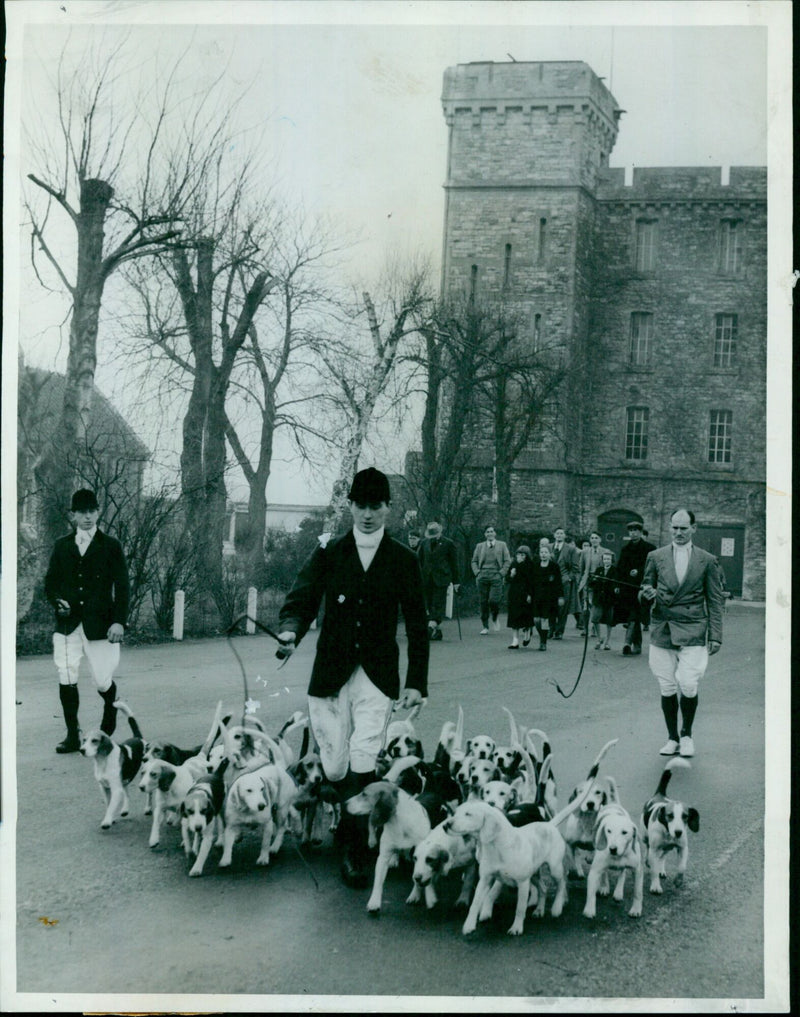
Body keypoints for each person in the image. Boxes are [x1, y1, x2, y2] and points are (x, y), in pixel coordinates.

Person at [276, 467, 429, 886]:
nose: (367, 514)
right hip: (330, 674)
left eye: (375, 506)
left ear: (388, 508)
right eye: (360, 506)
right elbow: (302, 596)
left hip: (377, 676)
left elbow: (417, 623)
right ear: (351, 507)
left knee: (364, 759)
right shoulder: (329, 551)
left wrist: (416, 681)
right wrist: (290, 630)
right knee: (336, 764)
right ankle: (349, 828)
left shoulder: (403, 559)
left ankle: (354, 849)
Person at [44, 488, 130, 753]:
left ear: (99, 511)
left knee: (103, 680)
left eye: (92, 511)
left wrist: (119, 621)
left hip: (101, 625)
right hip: (68, 625)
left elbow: (123, 586)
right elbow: (50, 584)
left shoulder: (111, 545)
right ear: (73, 515)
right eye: (82, 512)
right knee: (66, 675)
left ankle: (109, 716)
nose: (88, 517)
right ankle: (73, 735)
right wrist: (58, 601)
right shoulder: (62, 545)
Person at [640, 508, 724, 758]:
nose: (678, 532)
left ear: (693, 529)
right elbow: (645, 587)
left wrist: (716, 634)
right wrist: (646, 594)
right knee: (666, 685)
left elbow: (715, 600)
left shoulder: (707, 560)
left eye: (683, 528)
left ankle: (687, 735)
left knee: (688, 683)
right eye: (674, 528)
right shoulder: (655, 556)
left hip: (693, 628)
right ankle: (672, 738)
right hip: (663, 628)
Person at [616, 520, 656, 655]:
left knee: (635, 615)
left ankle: (627, 643)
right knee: (634, 615)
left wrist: (639, 571)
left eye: (635, 531)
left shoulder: (649, 549)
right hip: (628, 588)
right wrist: (618, 585)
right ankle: (636, 645)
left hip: (643, 588)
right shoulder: (625, 549)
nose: (633, 533)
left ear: (640, 532)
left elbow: (652, 567)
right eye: (631, 531)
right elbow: (620, 568)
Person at [417, 520, 460, 640]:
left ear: (439, 533)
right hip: (427, 578)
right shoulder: (424, 543)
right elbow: (419, 560)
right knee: (429, 604)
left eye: (435, 535)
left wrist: (456, 581)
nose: (433, 538)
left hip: (442, 578)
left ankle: (430, 627)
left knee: (437, 603)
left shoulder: (448, 543)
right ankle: (438, 631)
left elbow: (454, 564)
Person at [470, 525, 511, 634]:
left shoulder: (502, 545)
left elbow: (507, 561)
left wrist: (501, 573)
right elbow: (474, 561)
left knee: (493, 600)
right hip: (482, 576)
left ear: (495, 533)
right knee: (483, 602)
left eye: (492, 531)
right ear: (485, 534)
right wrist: (477, 573)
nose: (490, 533)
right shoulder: (480, 546)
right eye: (487, 532)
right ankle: (485, 626)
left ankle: (495, 617)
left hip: (496, 576)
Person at [529, 541, 564, 651]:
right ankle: (542, 635)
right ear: (539, 554)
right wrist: (529, 594)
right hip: (536, 597)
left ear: (549, 554)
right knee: (536, 620)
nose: (543, 554)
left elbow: (559, 583)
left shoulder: (554, 567)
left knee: (545, 620)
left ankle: (543, 642)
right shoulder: (535, 566)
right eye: (541, 552)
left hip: (549, 598)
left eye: (545, 552)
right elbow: (531, 582)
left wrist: (560, 597)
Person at [578, 530, 612, 639]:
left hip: (599, 582)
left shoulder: (606, 551)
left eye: (596, 538)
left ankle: (593, 627)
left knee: (595, 605)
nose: (594, 540)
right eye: (592, 538)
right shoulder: (585, 552)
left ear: (600, 540)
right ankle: (585, 628)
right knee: (585, 605)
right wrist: (581, 581)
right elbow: (581, 568)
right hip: (588, 581)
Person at [550, 528, 582, 639]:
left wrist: (568, 578)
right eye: (557, 533)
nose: (559, 535)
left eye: (561, 533)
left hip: (564, 582)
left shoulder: (571, 549)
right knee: (550, 606)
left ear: (564, 536)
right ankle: (551, 629)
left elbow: (575, 568)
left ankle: (559, 631)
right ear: (554, 535)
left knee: (562, 607)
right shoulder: (549, 547)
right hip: (550, 582)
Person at [505, 545, 535, 648]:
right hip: (514, 593)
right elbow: (507, 579)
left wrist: (530, 594)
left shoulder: (530, 565)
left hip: (525, 593)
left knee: (526, 615)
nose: (520, 556)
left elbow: (531, 582)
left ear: (527, 556)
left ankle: (527, 631)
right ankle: (515, 640)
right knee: (514, 617)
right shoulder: (513, 564)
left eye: (523, 554)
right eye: (518, 554)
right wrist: (511, 575)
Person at [589, 550, 619, 650]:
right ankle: (599, 638)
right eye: (605, 559)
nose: (606, 561)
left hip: (609, 599)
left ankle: (607, 641)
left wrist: (616, 588)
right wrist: (594, 579)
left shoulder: (615, 570)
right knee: (595, 618)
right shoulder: (599, 570)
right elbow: (592, 584)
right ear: (602, 560)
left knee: (609, 621)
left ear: (612, 560)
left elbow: (616, 584)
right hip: (598, 599)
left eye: (608, 559)